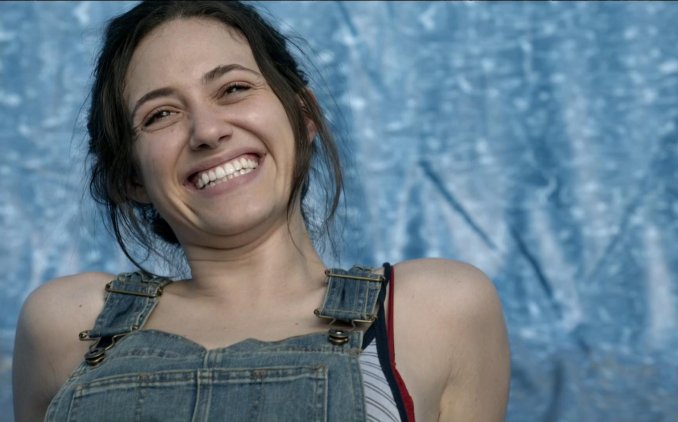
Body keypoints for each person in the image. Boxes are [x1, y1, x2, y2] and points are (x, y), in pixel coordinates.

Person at [12, 1, 510, 421]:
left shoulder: (436, 312)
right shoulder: (67, 323)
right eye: (161, 114)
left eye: (233, 88)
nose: (208, 131)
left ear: (304, 115)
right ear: (131, 179)